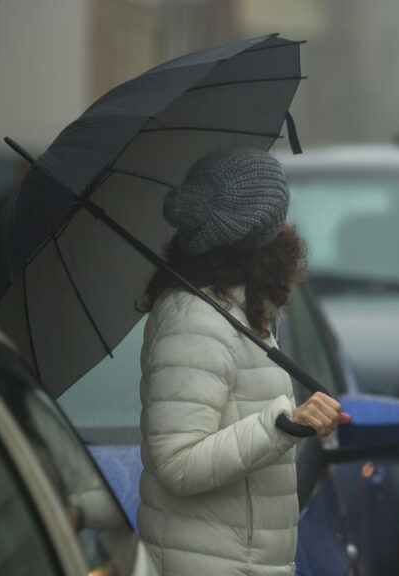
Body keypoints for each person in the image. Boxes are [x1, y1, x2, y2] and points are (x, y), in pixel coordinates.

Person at [137, 146, 349, 575]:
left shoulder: (239, 310)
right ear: (260, 239)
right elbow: (177, 462)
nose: (289, 226)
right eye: (280, 217)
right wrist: (285, 425)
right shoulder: (194, 319)